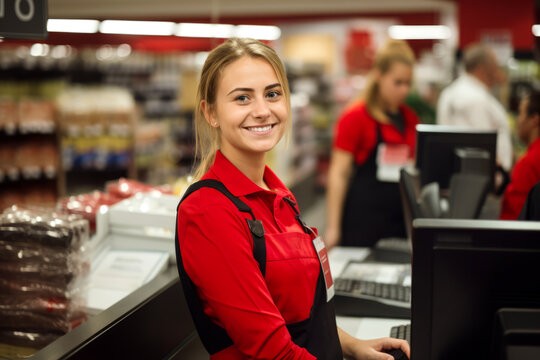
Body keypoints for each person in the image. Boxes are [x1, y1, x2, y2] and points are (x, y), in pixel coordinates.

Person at [175, 38, 410, 360]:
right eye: (242, 98)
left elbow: (298, 313)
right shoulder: (209, 211)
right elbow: (271, 349)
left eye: (272, 94)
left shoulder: (280, 194)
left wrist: (353, 346)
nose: (262, 111)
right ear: (211, 112)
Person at [326, 39, 419, 249]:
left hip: (400, 216)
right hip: (364, 218)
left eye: (408, 83)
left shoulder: (411, 118)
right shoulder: (356, 117)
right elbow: (338, 173)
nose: (404, 90)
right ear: (379, 75)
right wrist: (333, 227)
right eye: (398, 82)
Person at [437, 43, 513, 172]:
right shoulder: (475, 98)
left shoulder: (450, 92)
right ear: (482, 68)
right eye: (495, 67)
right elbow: (482, 143)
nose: (498, 72)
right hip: (482, 179)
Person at [500, 90, 540, 220]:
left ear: (534, 119)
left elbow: (515, 217)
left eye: (520, 113)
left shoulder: (528, 163)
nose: (518, 120)